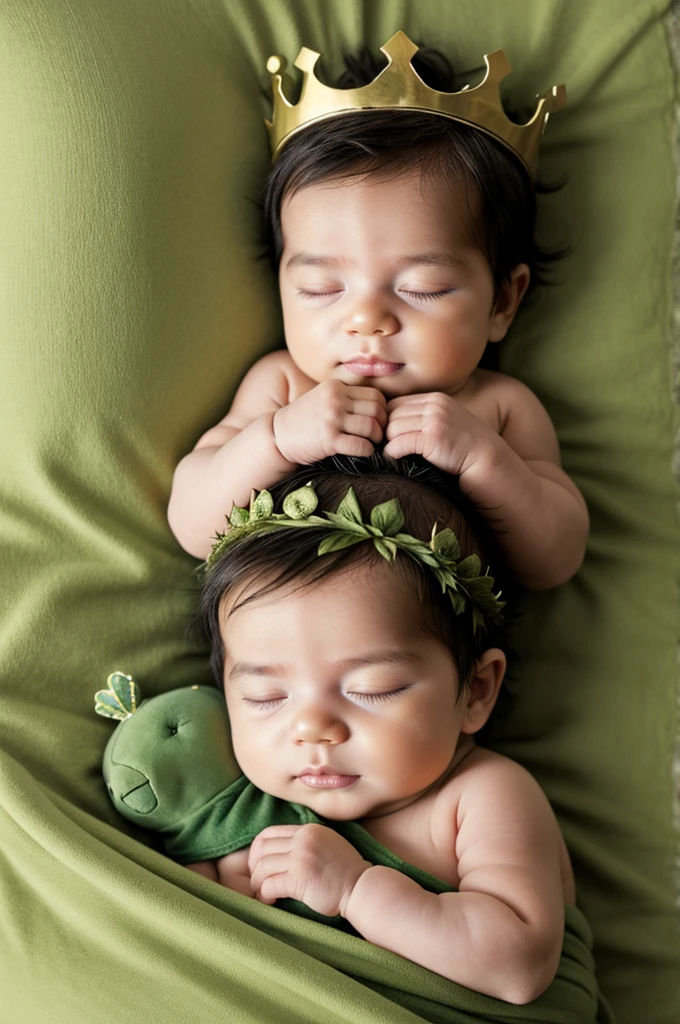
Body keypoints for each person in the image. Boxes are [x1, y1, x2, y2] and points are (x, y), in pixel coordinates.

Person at [167, 33, 589, 590]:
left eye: (424, 287)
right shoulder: (284, 388)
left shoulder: (497, 409)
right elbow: (192, 524)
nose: (366, 320)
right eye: (320, 287)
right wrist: (277, 440)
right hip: (277, 658)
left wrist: (483, 460)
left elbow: (553, 562)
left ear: (503, 302)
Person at [184, 455, 576, 1004]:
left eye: (372, 689)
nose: (312, 728)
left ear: (476, 690)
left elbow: (519, 965)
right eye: (265, 697)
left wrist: (354, 889)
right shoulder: (242, 807)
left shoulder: (482, 798)